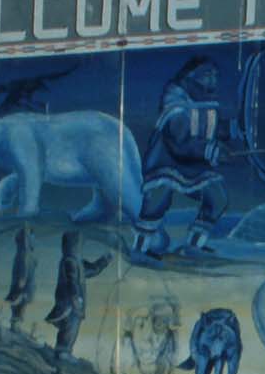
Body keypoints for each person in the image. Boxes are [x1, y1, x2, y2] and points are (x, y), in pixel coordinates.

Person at [134, 56, 235, 259]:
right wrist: (211, 151)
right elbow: (179, 143)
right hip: (167, 162)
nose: (213, 80)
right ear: (190, 78)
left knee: (217, 198)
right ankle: (141, 250)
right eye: (207, 75)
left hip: (195, 165)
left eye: (215, 75)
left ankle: (194, 246)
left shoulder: (208, 104)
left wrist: (233, 131)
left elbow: (213, 129)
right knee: (156, 203)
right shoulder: (176, 106)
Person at [44, 231, 113, 357]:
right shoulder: (70, 260)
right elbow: (72, 280)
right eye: (79, 243)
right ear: (72, 244)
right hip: (70, 303)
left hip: (74, 304)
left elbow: (92, 270)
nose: (80, 246)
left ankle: (64, 351)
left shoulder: (77, 261)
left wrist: (104, 261)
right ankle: (62, 352)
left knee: (72, 328)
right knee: (69, 328)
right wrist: (76, 298)